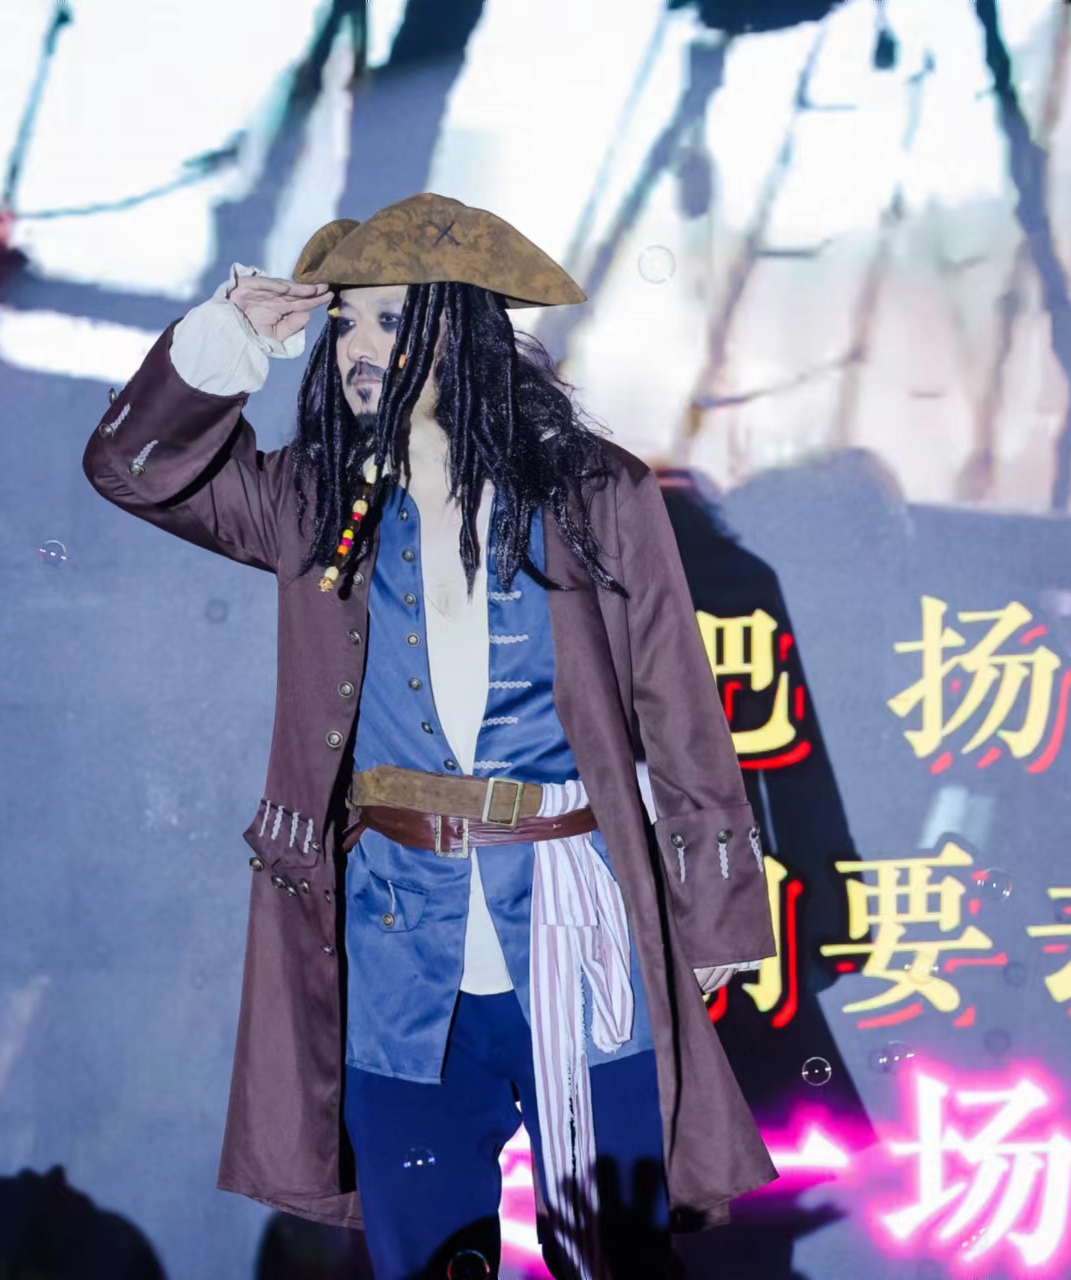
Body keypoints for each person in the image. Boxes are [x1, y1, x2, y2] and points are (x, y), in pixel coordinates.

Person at [82, 193, 776, 1280]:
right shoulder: (315, 498)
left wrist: (720, 908)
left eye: (392, 320)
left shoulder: (598, 493)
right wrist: (225, 339)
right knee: (424, 1256)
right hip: (396, 946)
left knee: (614, 1255)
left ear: (466, 331)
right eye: (345, 323)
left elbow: (680, 713)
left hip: (576, 927)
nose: (359, 348)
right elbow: (132, 468)